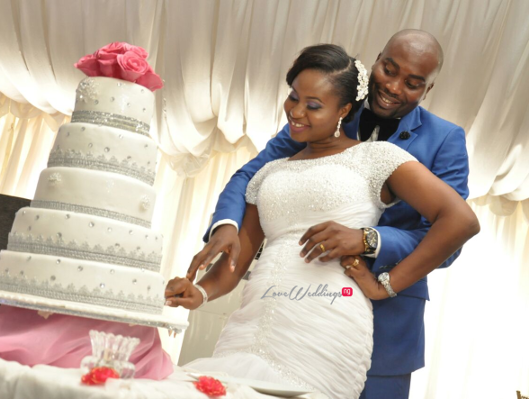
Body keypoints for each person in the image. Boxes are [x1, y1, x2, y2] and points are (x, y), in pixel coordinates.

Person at [165, 43, 479, 398]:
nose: (393, 87)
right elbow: (247, 180)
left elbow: (455, 229)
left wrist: (371, 248)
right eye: (389, 70)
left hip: (364, 315)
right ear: (376, 62)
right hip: (259, 312)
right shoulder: (297, 137)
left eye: (412, 82)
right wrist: (216, 252)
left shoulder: (416, 146)